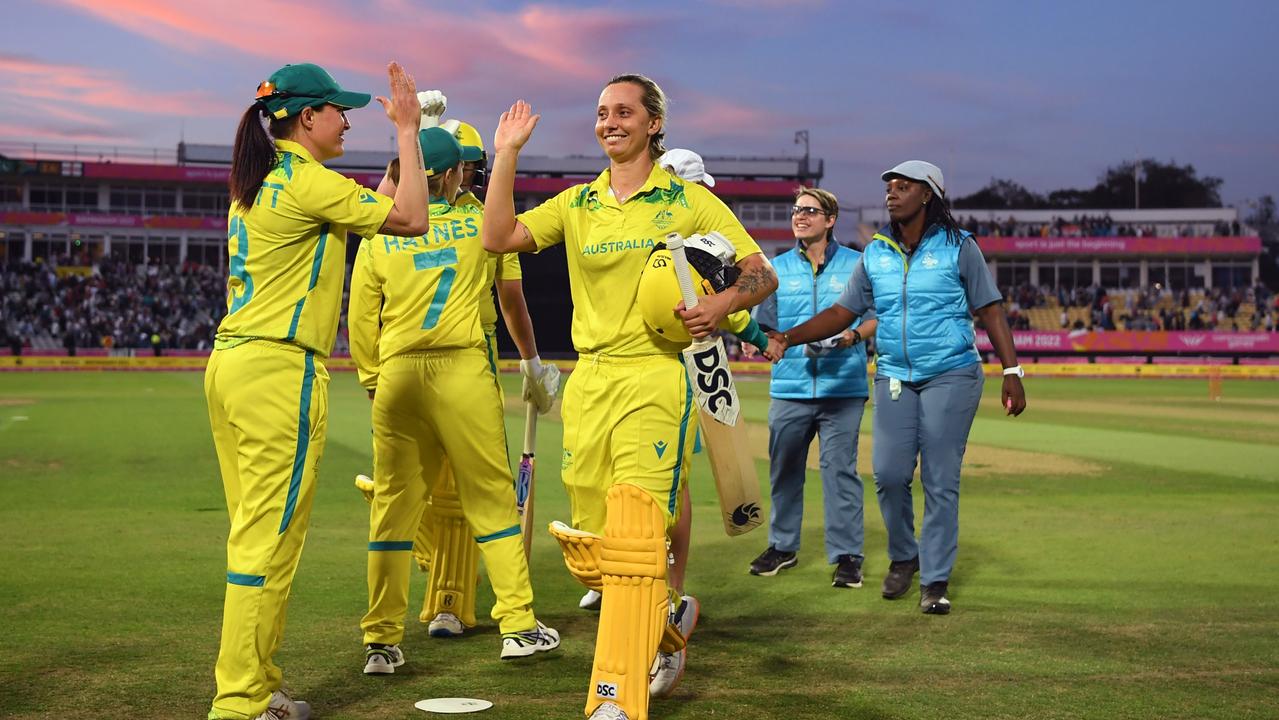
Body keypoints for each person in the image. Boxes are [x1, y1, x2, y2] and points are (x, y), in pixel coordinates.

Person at [483, 76, 777, 720]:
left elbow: (761, 271)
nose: (609, 122)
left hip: (655, 379)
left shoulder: (687, 200)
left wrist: (722, 302)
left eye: (623, 112)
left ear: (653, 125)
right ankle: (667, 623)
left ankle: (618, 690)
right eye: (601, 113)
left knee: (637, 540)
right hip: (589, 383)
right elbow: (498, 238)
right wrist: (505, 153)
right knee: (594, 547)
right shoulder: (577, 203)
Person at [205, 61, 428, 720]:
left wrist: (387, 173)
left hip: (233, 366)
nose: (349, 119)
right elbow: (412, 217)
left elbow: (370, 207)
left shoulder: (263, 179)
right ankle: (241, 703)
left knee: (255, 537)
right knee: (267, 544)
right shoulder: (308, 181)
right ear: (308, 118)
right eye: (338, 110)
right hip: (278, 373)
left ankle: (255, 684)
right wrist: (411, 133)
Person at [765, 160, 1025, 616]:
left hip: (951, 373)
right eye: (889, 187)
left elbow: (991, 309)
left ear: (928, 195)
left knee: (940, 480)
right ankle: (905, 556)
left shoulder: (960, 247)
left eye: (904, 187)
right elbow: (844, 313)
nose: (892, 194)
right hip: (894, 376)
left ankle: (936, 580)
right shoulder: (876, 251)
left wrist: (1012, 371)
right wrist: (789, 336)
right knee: (887, 475)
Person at [348, 127, 560, 675]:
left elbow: (360, 318)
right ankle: (517, 625)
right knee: (490, 501)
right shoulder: (479, 229)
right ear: (453, 175)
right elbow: (509, 284)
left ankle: (381, 641)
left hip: (397, 374)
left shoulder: (379, 235)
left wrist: (375, 379)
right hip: (463, 367)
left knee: (393, 513)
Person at [750, 187, 877, 588]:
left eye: (810, 210)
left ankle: (847, 556)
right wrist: (765, 341)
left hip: (843, 386)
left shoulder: (859, 264)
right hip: (790, 387)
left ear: (830, 219)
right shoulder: (775, 268)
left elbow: (876, 316)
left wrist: (851, 338)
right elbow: (765, 324)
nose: (800, 216)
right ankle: (782, 546)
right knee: (784, 471)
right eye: (796, 211)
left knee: (840, 472)